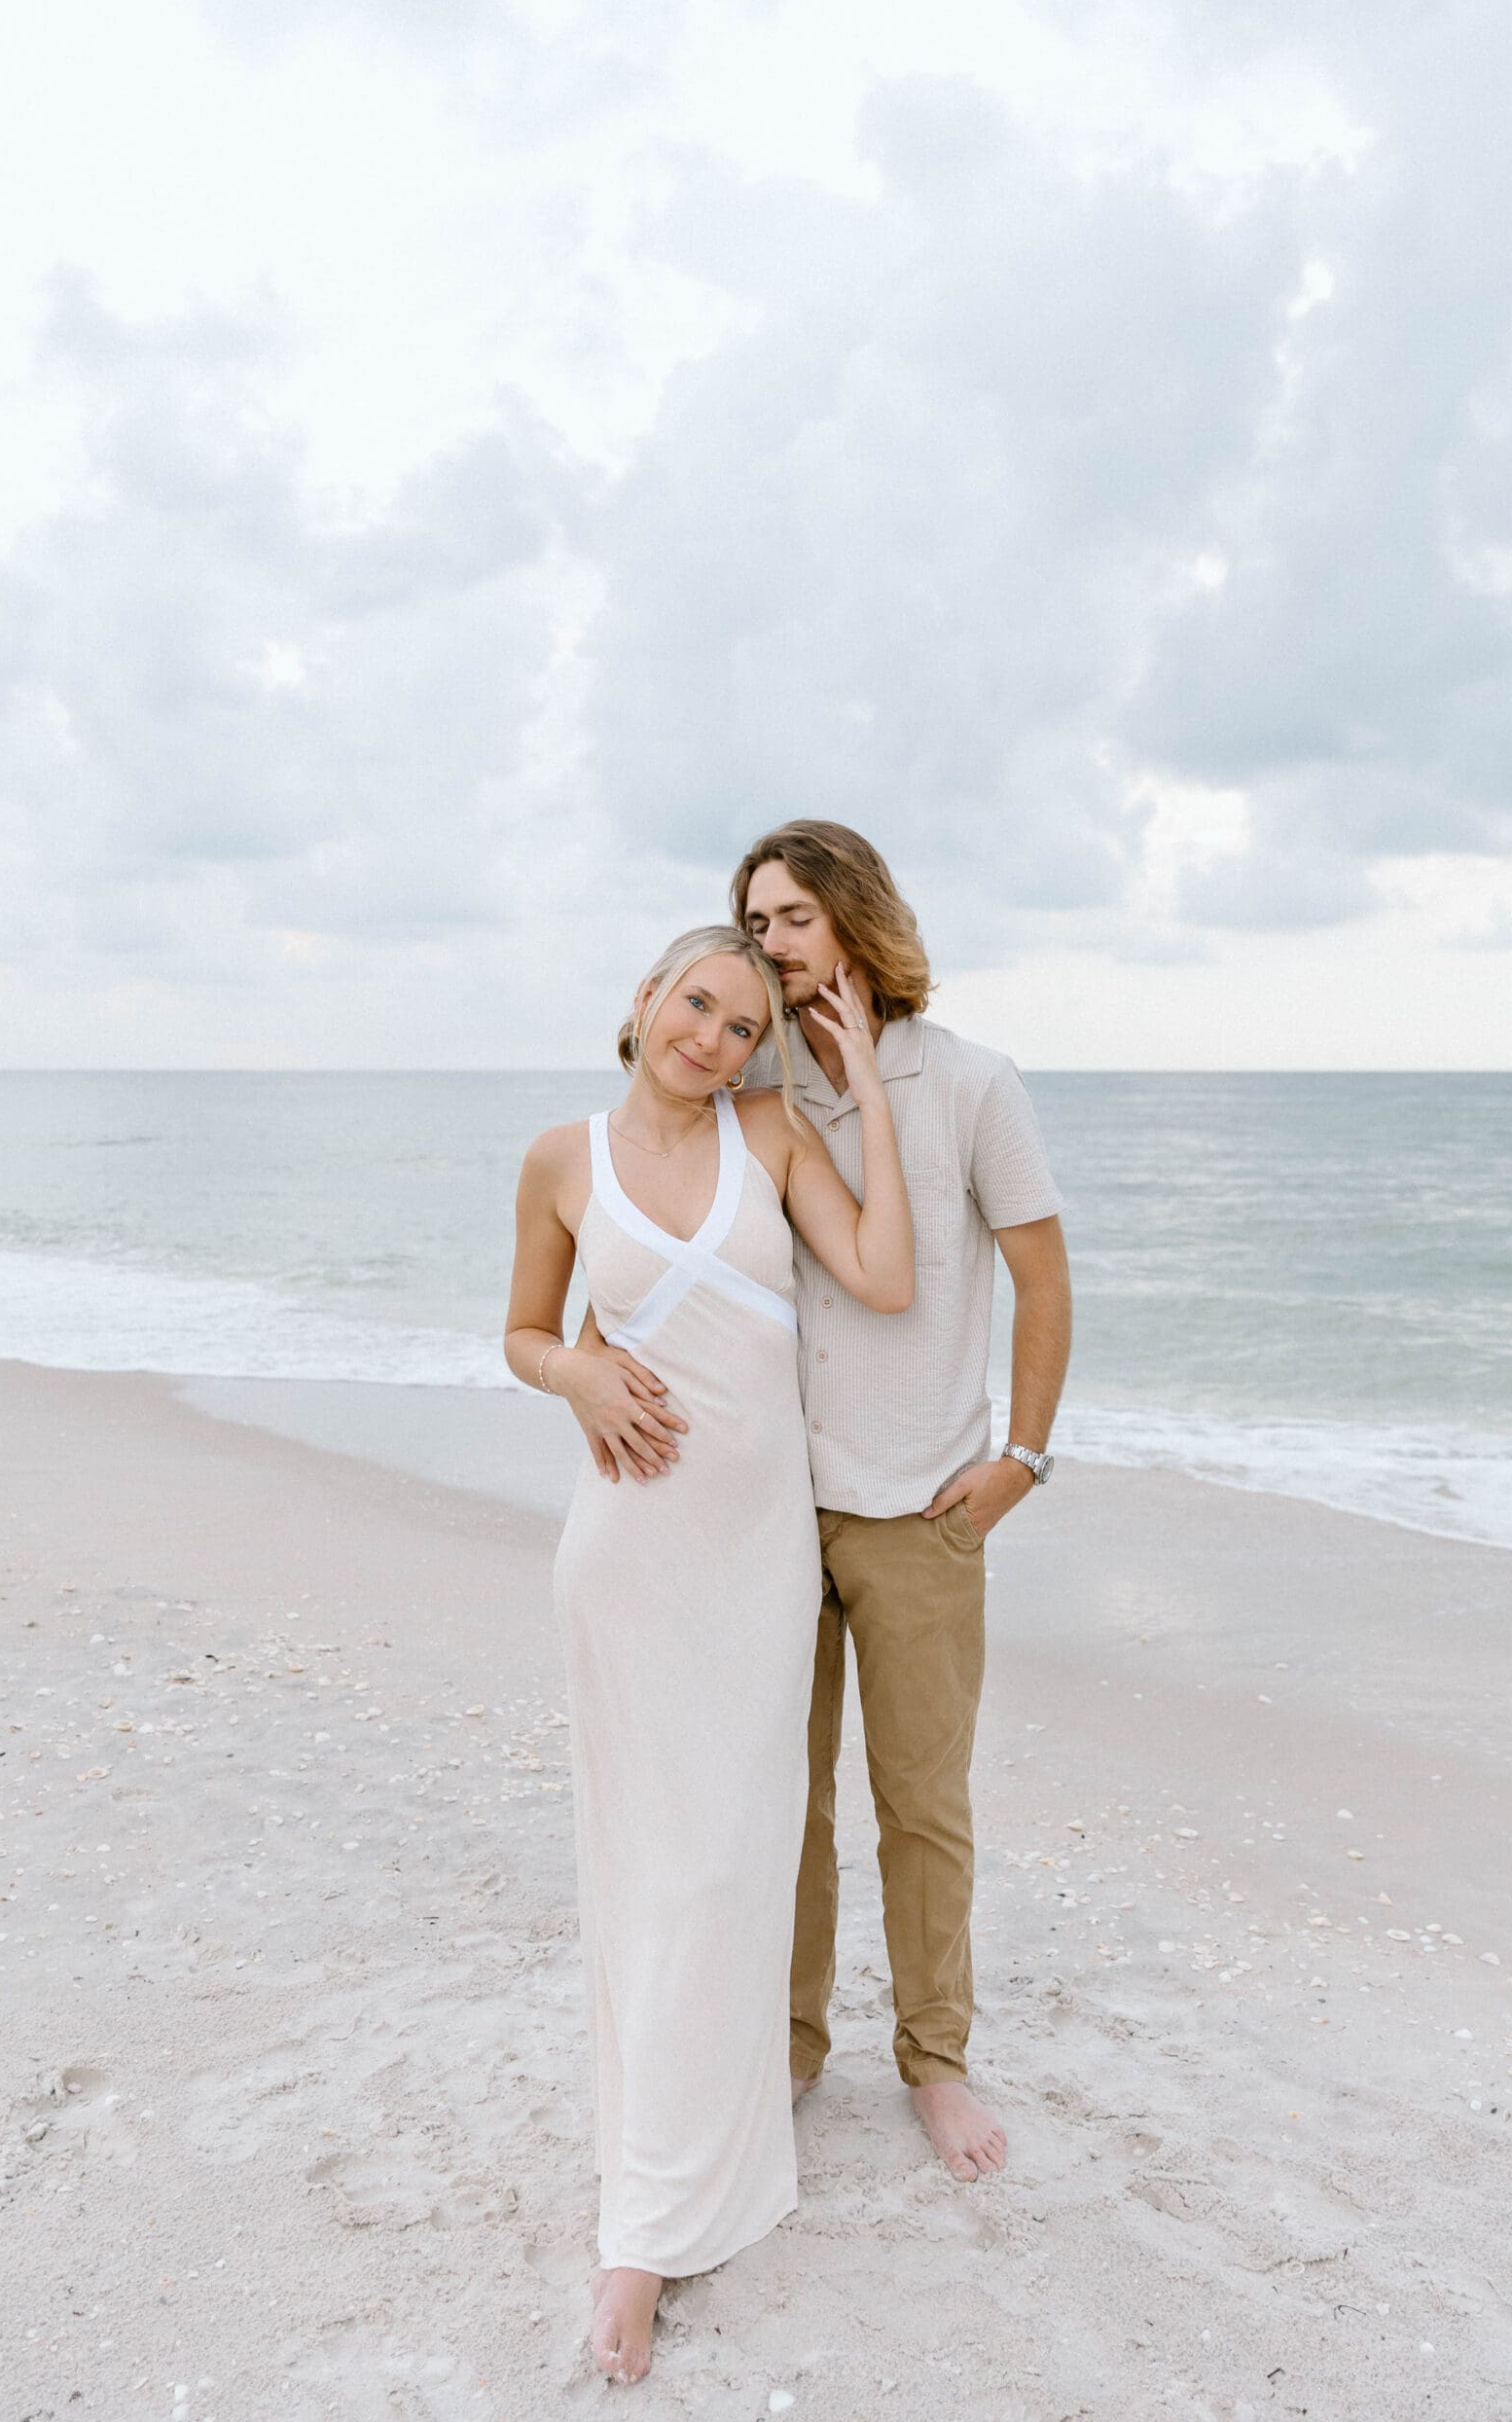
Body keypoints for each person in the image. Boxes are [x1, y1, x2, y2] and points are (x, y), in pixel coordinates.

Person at [570, 825, 1071, 2186]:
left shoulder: (972, 1085)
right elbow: (642, 1239)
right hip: (767, 1511)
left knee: (921, 1800)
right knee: (775, 1797)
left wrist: (1024, 1457)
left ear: (852, 918)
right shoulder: (753, 1078)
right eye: (753, 918)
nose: (769, 946)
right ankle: (788, 2048)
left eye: (790, 917)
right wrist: (585, 1364)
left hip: (923, 1505)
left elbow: (1041, 1279)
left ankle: (936, 2061)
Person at [503, 923, 914, 2387]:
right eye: (698, 1006)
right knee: (645, 1874)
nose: (714, 1040)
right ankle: (641, 2235)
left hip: (752, 1571)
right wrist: (578, 1372)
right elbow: (518, 1331)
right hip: (626, 1562)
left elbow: (878, 1271)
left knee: (728, 1869)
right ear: (643, 999)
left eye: (745, 1025)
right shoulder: (563, 1158)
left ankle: (702, 2161)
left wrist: (856, 1089)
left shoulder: (773, 1131)